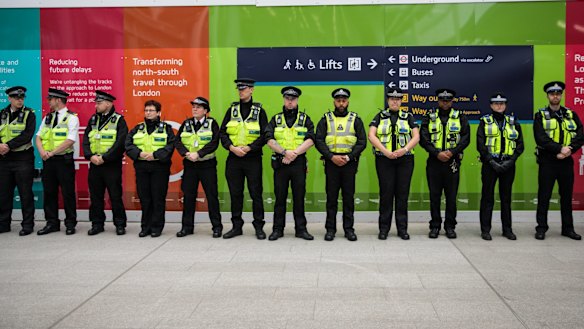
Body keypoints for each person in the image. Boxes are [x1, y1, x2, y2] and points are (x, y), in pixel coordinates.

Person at [533, 81, 584, 240]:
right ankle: (541, 228)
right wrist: (559, 149)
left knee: (567, 197)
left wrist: (569, 149)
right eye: (552, 94)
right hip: (548, 161)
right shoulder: (540, 115)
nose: (555, 96)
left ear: (561, 95)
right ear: (548, 96)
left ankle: (567, 228)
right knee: (544, 196)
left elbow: (580, 134)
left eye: (558, 93)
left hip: (566, 161)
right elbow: (541, 138)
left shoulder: (571, 114)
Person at [315, 88, 366, 241]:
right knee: (331, 198)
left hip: (349, 164)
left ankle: (349, 229)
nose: (341, 103)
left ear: (348, 101)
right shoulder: (326, 119)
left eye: (344, 100)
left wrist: (349, 157)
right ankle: (330, 230)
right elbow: (319, 140)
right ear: (334, 102)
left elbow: (362, 141)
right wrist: (331, 157)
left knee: (348, 198)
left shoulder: (355, 119)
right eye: (338, 100)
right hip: (331, 163)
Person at [368, 87, 419, 240]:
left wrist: (404, 149)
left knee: (402, 195)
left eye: (398, 99)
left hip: (405, 160)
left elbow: (416, 136)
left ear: (401, 101)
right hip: (384, 160)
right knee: (386, 194)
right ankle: (384, 229)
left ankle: (402, 229)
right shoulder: (379, 116)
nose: (395, 101)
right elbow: (371, 135)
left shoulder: (408, 116)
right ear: (388, 100)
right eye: (392, 99)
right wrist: (385, 151)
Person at [219, 78, 268, 239]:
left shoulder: (259, 111)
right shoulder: (232, 110)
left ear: (252, 90)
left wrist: (249, 148)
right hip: (234, 158)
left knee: (256, 193)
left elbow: (265, 135)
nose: (241, 91)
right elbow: (223, 133)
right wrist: (232, 148)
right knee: (235, 193)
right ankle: (236, 226)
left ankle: (259, 227)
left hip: (252, 158)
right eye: (239, 89)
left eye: (244, 88)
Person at [265, 86, 315, 241]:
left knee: (299, 198)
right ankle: (277, 230)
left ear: (297, 100)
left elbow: (311, 139)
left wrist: (294, 154)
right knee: (280, 198)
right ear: (284, 99)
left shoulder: (305, 118)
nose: (290, 101)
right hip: (281, 163)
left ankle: (301, 229)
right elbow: (268, 139)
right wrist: (284, 152)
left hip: (298, 163)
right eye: (287, 98)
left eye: (293, 99)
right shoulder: (276, 119)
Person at [419, 88, 470, 239]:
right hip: (434, 162)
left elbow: (466, 138)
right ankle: (435, 226)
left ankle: (450, 226)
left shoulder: (460, 117)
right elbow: (423, 138)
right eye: (442, 100)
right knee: (434, 196)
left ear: (452, 101)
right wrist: (437, 153)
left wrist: (452, 152)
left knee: (451, 196)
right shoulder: (429, 117)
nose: (445, 102)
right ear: (438, 100)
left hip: (452, 162)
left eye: (448, 100)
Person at [477, 93, 524, 240]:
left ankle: (507, 229)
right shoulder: (485, 121)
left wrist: (511, 161)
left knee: (506, 198)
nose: (499, 106)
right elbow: (480, 144)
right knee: (487, 198)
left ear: (505, 105)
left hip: (508, 165)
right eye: (496, 103)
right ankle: (485, 230)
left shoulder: (513, 121)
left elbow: (520, 145)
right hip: (490, 165)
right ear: (491, 105)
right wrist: (491, 162)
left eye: (502, 103)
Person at [125, 100, 175, 237]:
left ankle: (157, 227)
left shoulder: (166, 128)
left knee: (158, 198)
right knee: (145, 198)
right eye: (146, 110)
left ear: (158, 112)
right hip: (142, 167)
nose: (148, 113)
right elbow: (128, 144)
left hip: (159, 168)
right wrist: (139, 154)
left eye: (151, 110)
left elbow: (170, 146)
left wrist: (155, 155)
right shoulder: (138, 128)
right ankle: (145, 227)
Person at [175, 96, 222, 238]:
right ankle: (187, 227)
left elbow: (214, 142)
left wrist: (199, 154)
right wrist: (185, 153)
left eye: (198, 107)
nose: (195, 109)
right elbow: (178, 141)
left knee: (211, 196)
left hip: (207, 165)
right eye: (193, 106)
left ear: (206, 110)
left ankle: (217, 227)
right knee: (188, 196)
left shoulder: (212, 123)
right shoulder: (186, 123)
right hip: (190, 165)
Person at [82, 90, 128, 236]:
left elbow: (120, 143)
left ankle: (120, 224)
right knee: (95, 196)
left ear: (108, 103)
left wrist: (105, 158)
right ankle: (97, 224)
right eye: (96, 102)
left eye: (99, 103)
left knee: (115, 195)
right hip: (95, 164)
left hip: (111, 165)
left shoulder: (119, 120)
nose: (96, 105)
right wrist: (90, 156)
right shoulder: (93, 119)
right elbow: (86, 140)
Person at [35, 88, 79, 235]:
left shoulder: (71, 118)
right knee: (49, 193)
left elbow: (70, 140)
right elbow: (38, 137)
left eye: (50, 99)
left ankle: (70, 223)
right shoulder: (47, 118)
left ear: (58, 100)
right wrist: (42, 152)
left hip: (63, 161)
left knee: (67, 193)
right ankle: (51, 222)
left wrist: (52, 153)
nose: (48, 102)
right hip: (48, 161)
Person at [0, 86, 36, 236]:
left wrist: (8, 146)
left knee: (25, 193)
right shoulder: (2, 114)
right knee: (3, 194)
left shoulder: (30, 114)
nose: (19, 100)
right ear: (10, 99)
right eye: (16, 98)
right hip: (4, 159)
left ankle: (27, 225)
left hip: (23, 158)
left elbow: (27, 135)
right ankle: (3, 224)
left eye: (22, 98)